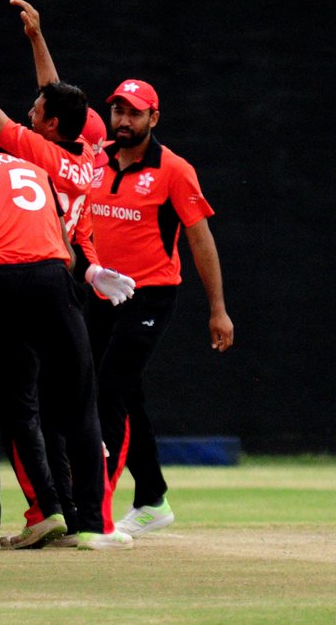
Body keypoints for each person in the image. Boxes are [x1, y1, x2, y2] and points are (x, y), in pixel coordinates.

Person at [0, 0, 134, 548]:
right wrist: (38, 41)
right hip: (62, 278)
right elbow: (60, 101)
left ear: (46, 127)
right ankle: (86, 522)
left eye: (35, 114)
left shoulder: (34, 151)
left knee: (12, 406)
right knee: (75, 408)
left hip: (16, 269)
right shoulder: (91, 158)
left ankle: (8, 518)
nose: (28, 112)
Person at [89, 77, 235, 537]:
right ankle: (152, 498)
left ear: (154, 117)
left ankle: (98, 510)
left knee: (110, 390)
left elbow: (200, 240)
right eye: (118, 111)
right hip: (100, 292)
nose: (123, 120)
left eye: (134, 112)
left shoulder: (174, 170)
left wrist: (218, 309)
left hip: (149, 294)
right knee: (124, 394)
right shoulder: (95, 160)